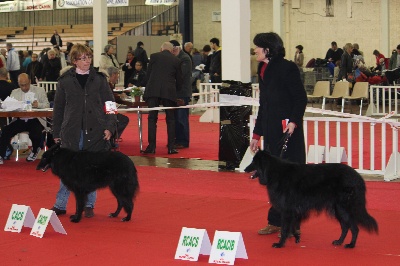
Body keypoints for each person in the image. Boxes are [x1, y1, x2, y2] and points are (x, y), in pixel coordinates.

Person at [249, 32, 307, 236]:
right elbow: (263, 105)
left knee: (291, 180)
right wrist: (256, 135)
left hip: (287, 133)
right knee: (274, 180)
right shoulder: (262, 69)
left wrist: (293, 122)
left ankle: (292, 223)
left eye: (257, 46)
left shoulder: (287, 68)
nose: (254, 49)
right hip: (271, 133)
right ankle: (275, 221)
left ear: (267, 49)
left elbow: (300, 98)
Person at [50, 43, 117, 217]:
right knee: (68, 170)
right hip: (71, 132)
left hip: (95, 131)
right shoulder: (64, 82)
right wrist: (56, 133)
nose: (87, 61)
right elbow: (58, 109)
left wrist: (110, 126)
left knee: (91, 169)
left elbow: (110, 105)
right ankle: (60, 204)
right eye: (83, 58)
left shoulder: (100, 79)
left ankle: (89, 204)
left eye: (89, 57)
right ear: (74, 61)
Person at [141, 42, 182, 155]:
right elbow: (179, 80)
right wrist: (176, 92)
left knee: (152, 119)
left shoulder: (154, 56)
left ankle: (151, 147)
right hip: (169, 92)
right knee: (171, 120)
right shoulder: (176, 60)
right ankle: (171, 147)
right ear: (171, 50)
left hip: (153, 91)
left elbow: (148, 75)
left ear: (161, 49)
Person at [0, 73, 50, 165]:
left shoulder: (39, 90)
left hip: (35, 119)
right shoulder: (15, 92)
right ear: (18, 84)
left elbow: (47, 105)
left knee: (36, 132)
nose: (24, 87)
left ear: (30, 81)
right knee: (6, 131)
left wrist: (38, 105)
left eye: (26, 84)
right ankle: (1, 154)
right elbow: (9, 106)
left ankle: (35, 150)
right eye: (21, 85)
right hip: (20, 119)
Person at [170, 40, 192, 149]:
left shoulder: (185, 59)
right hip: (174, 92)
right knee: (175, 118)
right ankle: (176, 139)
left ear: (176, 48)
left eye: (172, 50)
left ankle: (183, 141)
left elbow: (181, 75)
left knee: (181, 118)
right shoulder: (175, 58)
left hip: (182, 93)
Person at [106, 66, 130, 144]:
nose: (117, 78)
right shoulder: (107, 84)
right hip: (107, 110)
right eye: (117, 75)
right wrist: (120, 97)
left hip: (106, 108)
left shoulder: (107, 83)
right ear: (113, 75)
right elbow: (110, 98)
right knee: (123, 119)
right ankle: (112, 139)